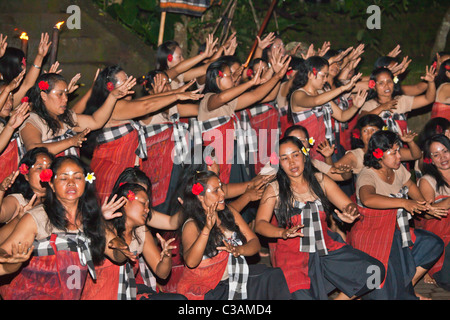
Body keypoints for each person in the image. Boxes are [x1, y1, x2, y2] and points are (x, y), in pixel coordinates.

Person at [254, 136, 384, 300]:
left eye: (295, 155)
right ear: (278, 163)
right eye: (284, 158)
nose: (292, 162)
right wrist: (282, 233)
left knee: (375, 271)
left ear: (304, 155)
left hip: (326, 249)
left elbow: (348, 205)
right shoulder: (274, 189)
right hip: (293, 256)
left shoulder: (320, 180)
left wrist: (351, 212)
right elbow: (260, 224)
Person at [0, 155, 131, 299]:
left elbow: (118, 258)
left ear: (85, 183)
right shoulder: (37, 217)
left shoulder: (91, 220)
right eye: (63, 178)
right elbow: (4, 253)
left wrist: (121, 247)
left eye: (77, 177)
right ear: (51, 185)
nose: (71, 183)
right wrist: (11, 261)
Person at [348, 130, 445, 300]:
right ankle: (400, 288)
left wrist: (427, 207)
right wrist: (403, 202)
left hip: (398, 233)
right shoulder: (367, 175)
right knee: (383, 292)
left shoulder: (398, 169)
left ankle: (406, 285)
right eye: (393, 152)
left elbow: (413, 191)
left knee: (432, 243)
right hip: (374, 237)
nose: (399, 156)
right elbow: (367, 198)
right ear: (378, 155)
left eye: (398, 151)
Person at [84, 65, 202, 200]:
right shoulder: (115, 106)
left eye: (129, 79)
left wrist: (175, 93)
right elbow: (146, 106)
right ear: (110, 88)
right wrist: (176, 95)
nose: (130, 84)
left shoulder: (124, 105)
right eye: (125, 81)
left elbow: (145, 101)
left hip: (123, 173)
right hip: (111, 174)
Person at [177, 170, 291, 300]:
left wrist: (238, 250)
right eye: (216, 190)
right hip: (208, 289)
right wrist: (207, 229)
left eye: (221, 188)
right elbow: (191, 262)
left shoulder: (228, 213)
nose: (223, 194)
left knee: (271, 277)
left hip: (233, 278)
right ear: (200, 197)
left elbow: (255, 243)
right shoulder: (191, 225)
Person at [81, 183, 186, 300]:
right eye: (143, 203)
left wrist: (166, 258)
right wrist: (119, 243)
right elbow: (119, 257)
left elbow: (162, 273)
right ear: (125, 202)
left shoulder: (141, 232)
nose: (147, 210)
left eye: (148, 205)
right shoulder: (106, 227)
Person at [198, 55, 290, 185]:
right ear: (218, 79)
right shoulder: (209, 99)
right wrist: (250, 83)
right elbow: (221, 98)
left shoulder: (230, 102)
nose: (234, 78)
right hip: (216, 161)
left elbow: (256, 95)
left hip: (232, 157)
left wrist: (277, 76)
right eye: (230, 75)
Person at [19, 72, 135, 158]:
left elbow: (96, 121)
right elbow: (33, 149)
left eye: (66, 94)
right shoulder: (31, 120)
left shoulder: (66, 117)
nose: (65, 99)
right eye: (60, 94)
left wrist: (112, 97)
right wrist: (70, 141)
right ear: (44, 96)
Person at [288, 56, 364, 162]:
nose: (325, 80)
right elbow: (315, 101)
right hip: (306, 152)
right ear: (310, 74)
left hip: (326, 149)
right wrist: (343, 88)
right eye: (323, 76)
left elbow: (342, 116)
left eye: (326, 76)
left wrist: (356, 106)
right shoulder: (298, 95)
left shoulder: (322, 93)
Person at [359, 66, 436, 135]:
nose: (386, 86)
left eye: (389, 81)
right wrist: (381, 108)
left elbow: (428, 99)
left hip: (401, 146)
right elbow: (362, 120)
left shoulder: (401, 100)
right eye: (381, 83)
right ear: (374, 87)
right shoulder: (369, 105)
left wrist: (431, 82)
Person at [416, 134, 450, 289]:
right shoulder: (428, 181)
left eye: (445, 151)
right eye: (436, 155)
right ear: (430, 158)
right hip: (442, 237)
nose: (442, 157)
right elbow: (428, 212)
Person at [0, 147, 54, 243]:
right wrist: (1, 191)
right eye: (39, 168)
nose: (45, 173)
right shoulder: (18, 201)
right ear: (26, 176)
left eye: (49, 168)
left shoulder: (60, 201)